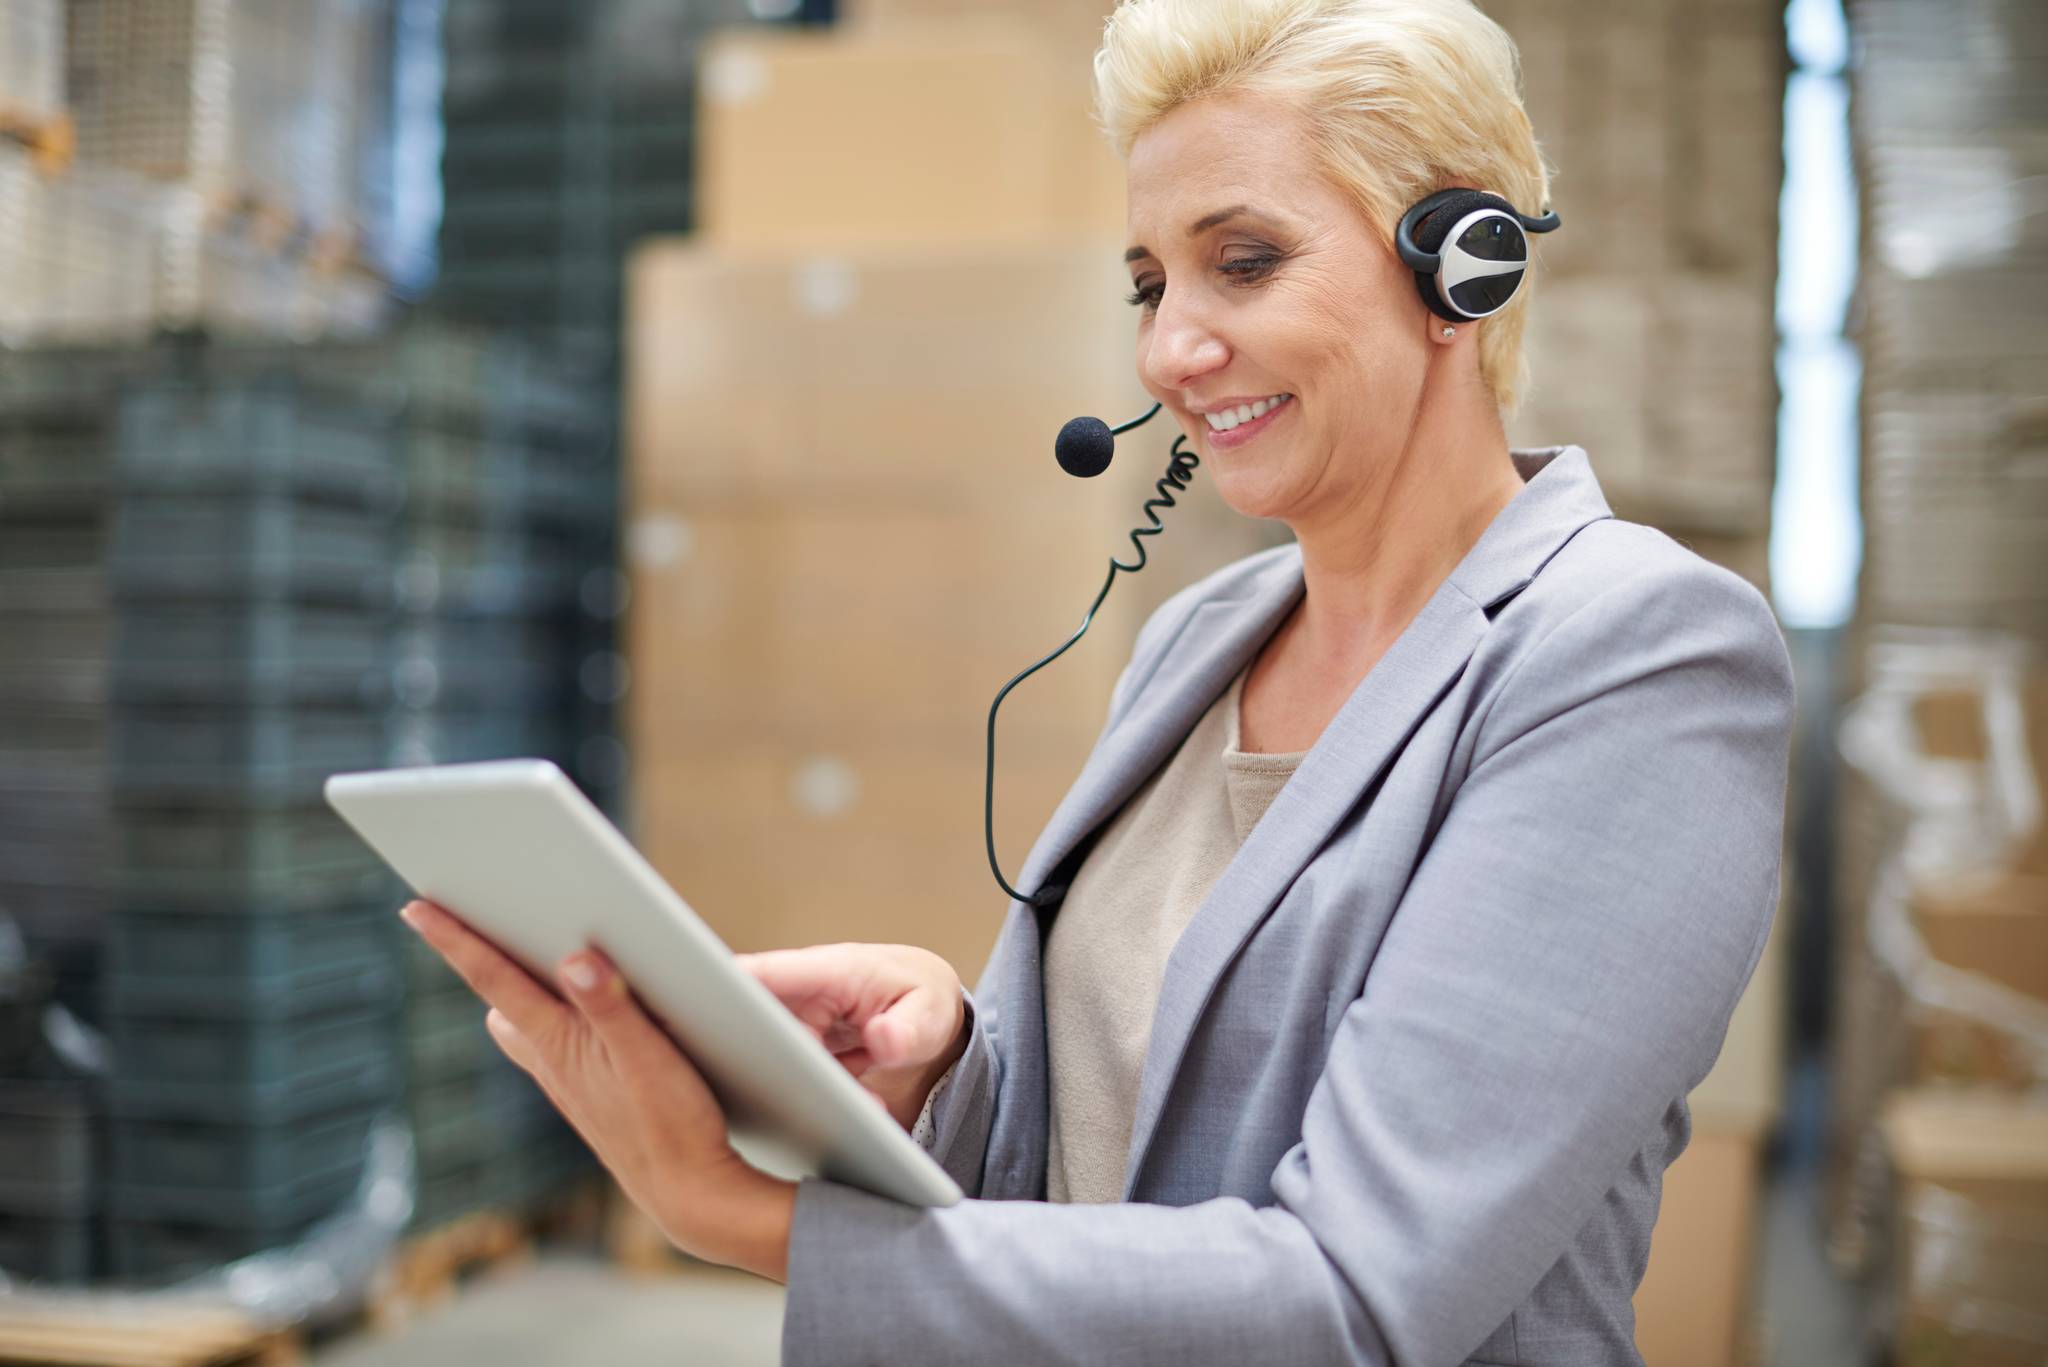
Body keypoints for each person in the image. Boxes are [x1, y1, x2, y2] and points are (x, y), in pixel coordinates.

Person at [402, 0, 1797, 1361]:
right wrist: (950, 1067)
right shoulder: (1201, 641)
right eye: (1150, 283)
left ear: (1462, 267)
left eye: (1242, 261)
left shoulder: (1639, 657)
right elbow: (1111, 1149)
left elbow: (1361, 1303)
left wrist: (753, 1220)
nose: (1168, 351)